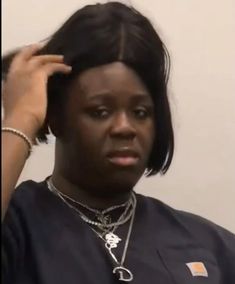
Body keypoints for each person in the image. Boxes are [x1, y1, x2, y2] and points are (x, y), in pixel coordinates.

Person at [2, 2, 235, 284]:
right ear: (54, 118)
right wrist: (21, 118)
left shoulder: (212, 247)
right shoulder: (17, 228)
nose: (125, 128)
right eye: (100, 111)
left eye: (141, 113)